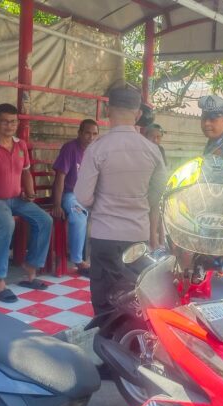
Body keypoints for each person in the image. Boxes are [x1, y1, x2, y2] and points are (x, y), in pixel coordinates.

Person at [74, 86, 168, 317]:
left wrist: (101, 205)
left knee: (105, 301)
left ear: (108, 110)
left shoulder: (97, 149)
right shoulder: (153, 150)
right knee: (136, 298)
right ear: (138, 114)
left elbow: (82, 197)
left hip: (104, 234)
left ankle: (107, 336)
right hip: (137, 236)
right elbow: (158, 194)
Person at [0, 103, 53, 301]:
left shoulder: (20, 144)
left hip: (17, 199)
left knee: (45, 220)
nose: (9, 126)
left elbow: (26, 172)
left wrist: (30, 192)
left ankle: (31, 269)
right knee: (7, 223)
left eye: (13, 122)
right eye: (4, 122)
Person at [51, 119, 99, 275]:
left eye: (94, 134)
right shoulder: (70, 148)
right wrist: (57, 204)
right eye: (87, 133)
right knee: (79, 217)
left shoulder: (95, 151)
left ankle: (104, 259)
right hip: (70, 195)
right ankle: (78, 261)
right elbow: (60, 177)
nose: (91, 137)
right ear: (79, 133)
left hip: (89, 195)